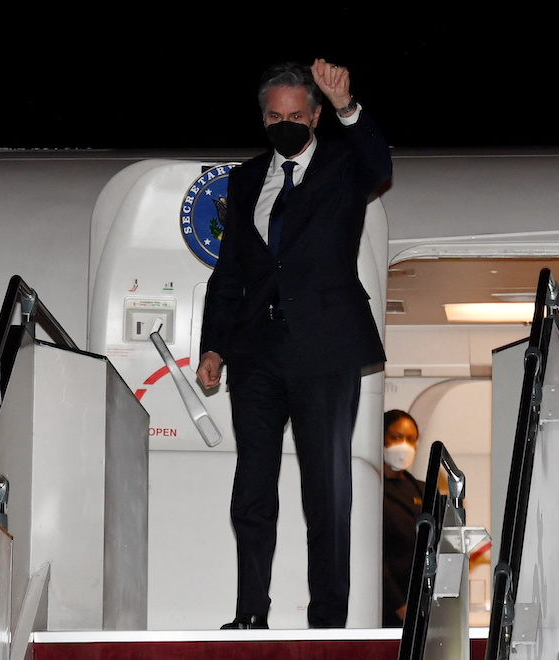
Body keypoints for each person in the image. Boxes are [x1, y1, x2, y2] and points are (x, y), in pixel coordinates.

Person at [196, 57, 392, 629]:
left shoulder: (343, 165)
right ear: (263, 119)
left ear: (313, 117)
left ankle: (327, 619)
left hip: (324, 351)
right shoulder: (247, 177)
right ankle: (250, 613)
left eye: (297, 115)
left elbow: (380, 162)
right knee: (251, 488)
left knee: (325, 490)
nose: (285, 124)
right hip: (256, 352)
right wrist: (215, 346)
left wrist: (347, 107)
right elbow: (229, 271)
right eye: (274, 115)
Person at [381, 409, 424, 627]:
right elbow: (372, 556)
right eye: (396, 437)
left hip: (418, 600)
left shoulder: (422, 490)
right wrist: (398, 604)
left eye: (411, 439)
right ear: (382, 438)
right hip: (386, 603)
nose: (404, 446)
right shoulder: (370, 487)